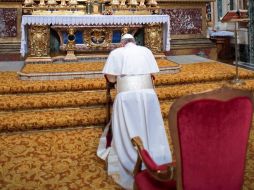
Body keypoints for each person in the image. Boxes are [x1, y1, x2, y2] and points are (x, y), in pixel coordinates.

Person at [97, 33, 172, 190]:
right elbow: (153, 74)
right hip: (148, 96)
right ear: (134, 42)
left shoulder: (116, 53)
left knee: (129, 126)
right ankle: (155, 155)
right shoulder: (146, 51)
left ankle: (130, 157)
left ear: (122, 43)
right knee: (150, 126)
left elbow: (111, 79)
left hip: (126, 97)